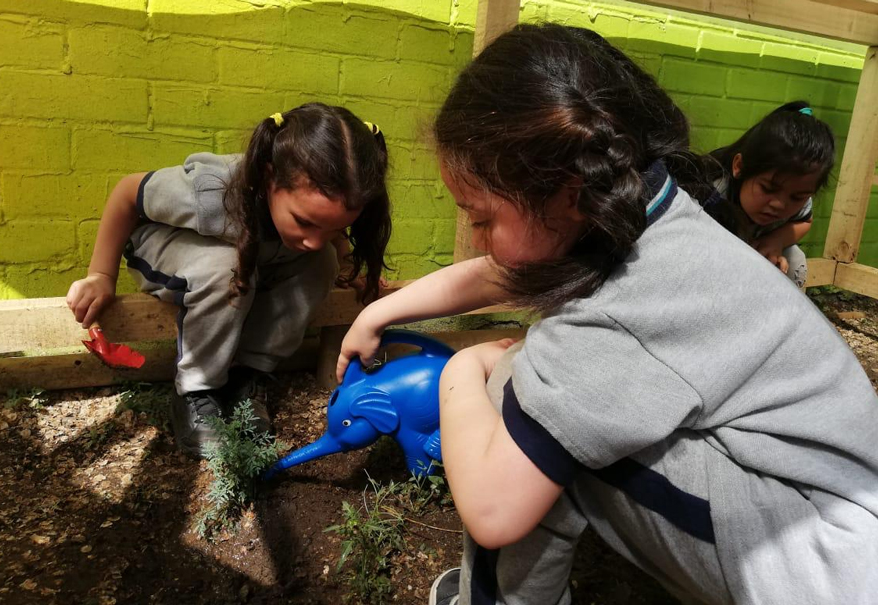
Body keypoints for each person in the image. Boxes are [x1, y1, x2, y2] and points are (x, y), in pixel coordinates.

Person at [336, 24, 878, 605]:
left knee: (514, 393)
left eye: (480, 217)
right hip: (839, 511)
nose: (479, 238)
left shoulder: (624, 310)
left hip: (825, 564)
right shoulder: (656, 213)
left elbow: (494, 509)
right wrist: (379, 313)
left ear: (566, 193)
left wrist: (461, 372)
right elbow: (509, 269)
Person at [67, 102, 391, 457]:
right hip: (165, 248)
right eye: (305, 222)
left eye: (332, 227)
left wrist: (347, 265)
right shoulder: (210, 193)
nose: (316, 238)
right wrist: (100, 274)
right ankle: (195, 389)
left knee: (320, 261)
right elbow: (127, 194)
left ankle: (247, 378)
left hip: (248, 252)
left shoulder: (313, 220)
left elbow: (324, 232)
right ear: (269, 179)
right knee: (228, 267)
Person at [703, 101, 835, 287]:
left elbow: (805, 221)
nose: (779, 205)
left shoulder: (798, 190)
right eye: (768, 188)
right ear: (739, 167)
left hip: (755, 248)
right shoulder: (714, 193)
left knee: (794, 259)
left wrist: (776, 240)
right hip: (710, 257)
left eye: (797, 197)